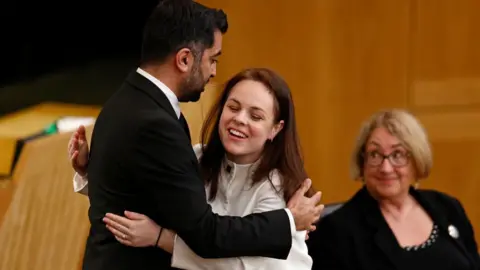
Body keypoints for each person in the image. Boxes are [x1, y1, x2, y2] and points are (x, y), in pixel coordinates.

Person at [73, 0, 323, 269]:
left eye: (256, 115)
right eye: (212, 59)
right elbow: (204, 231)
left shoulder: (127, 100)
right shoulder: (179, 142)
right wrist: (288, 222)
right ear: (184, 59)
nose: (213, 71)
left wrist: (160, 237)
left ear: (277, 128)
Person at [307, 109, 480, 270]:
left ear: (416, 159)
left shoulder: (448, 207)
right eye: (375, 155)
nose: (386, 168)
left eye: (397, 155)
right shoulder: (337, 231)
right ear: (363, 162)